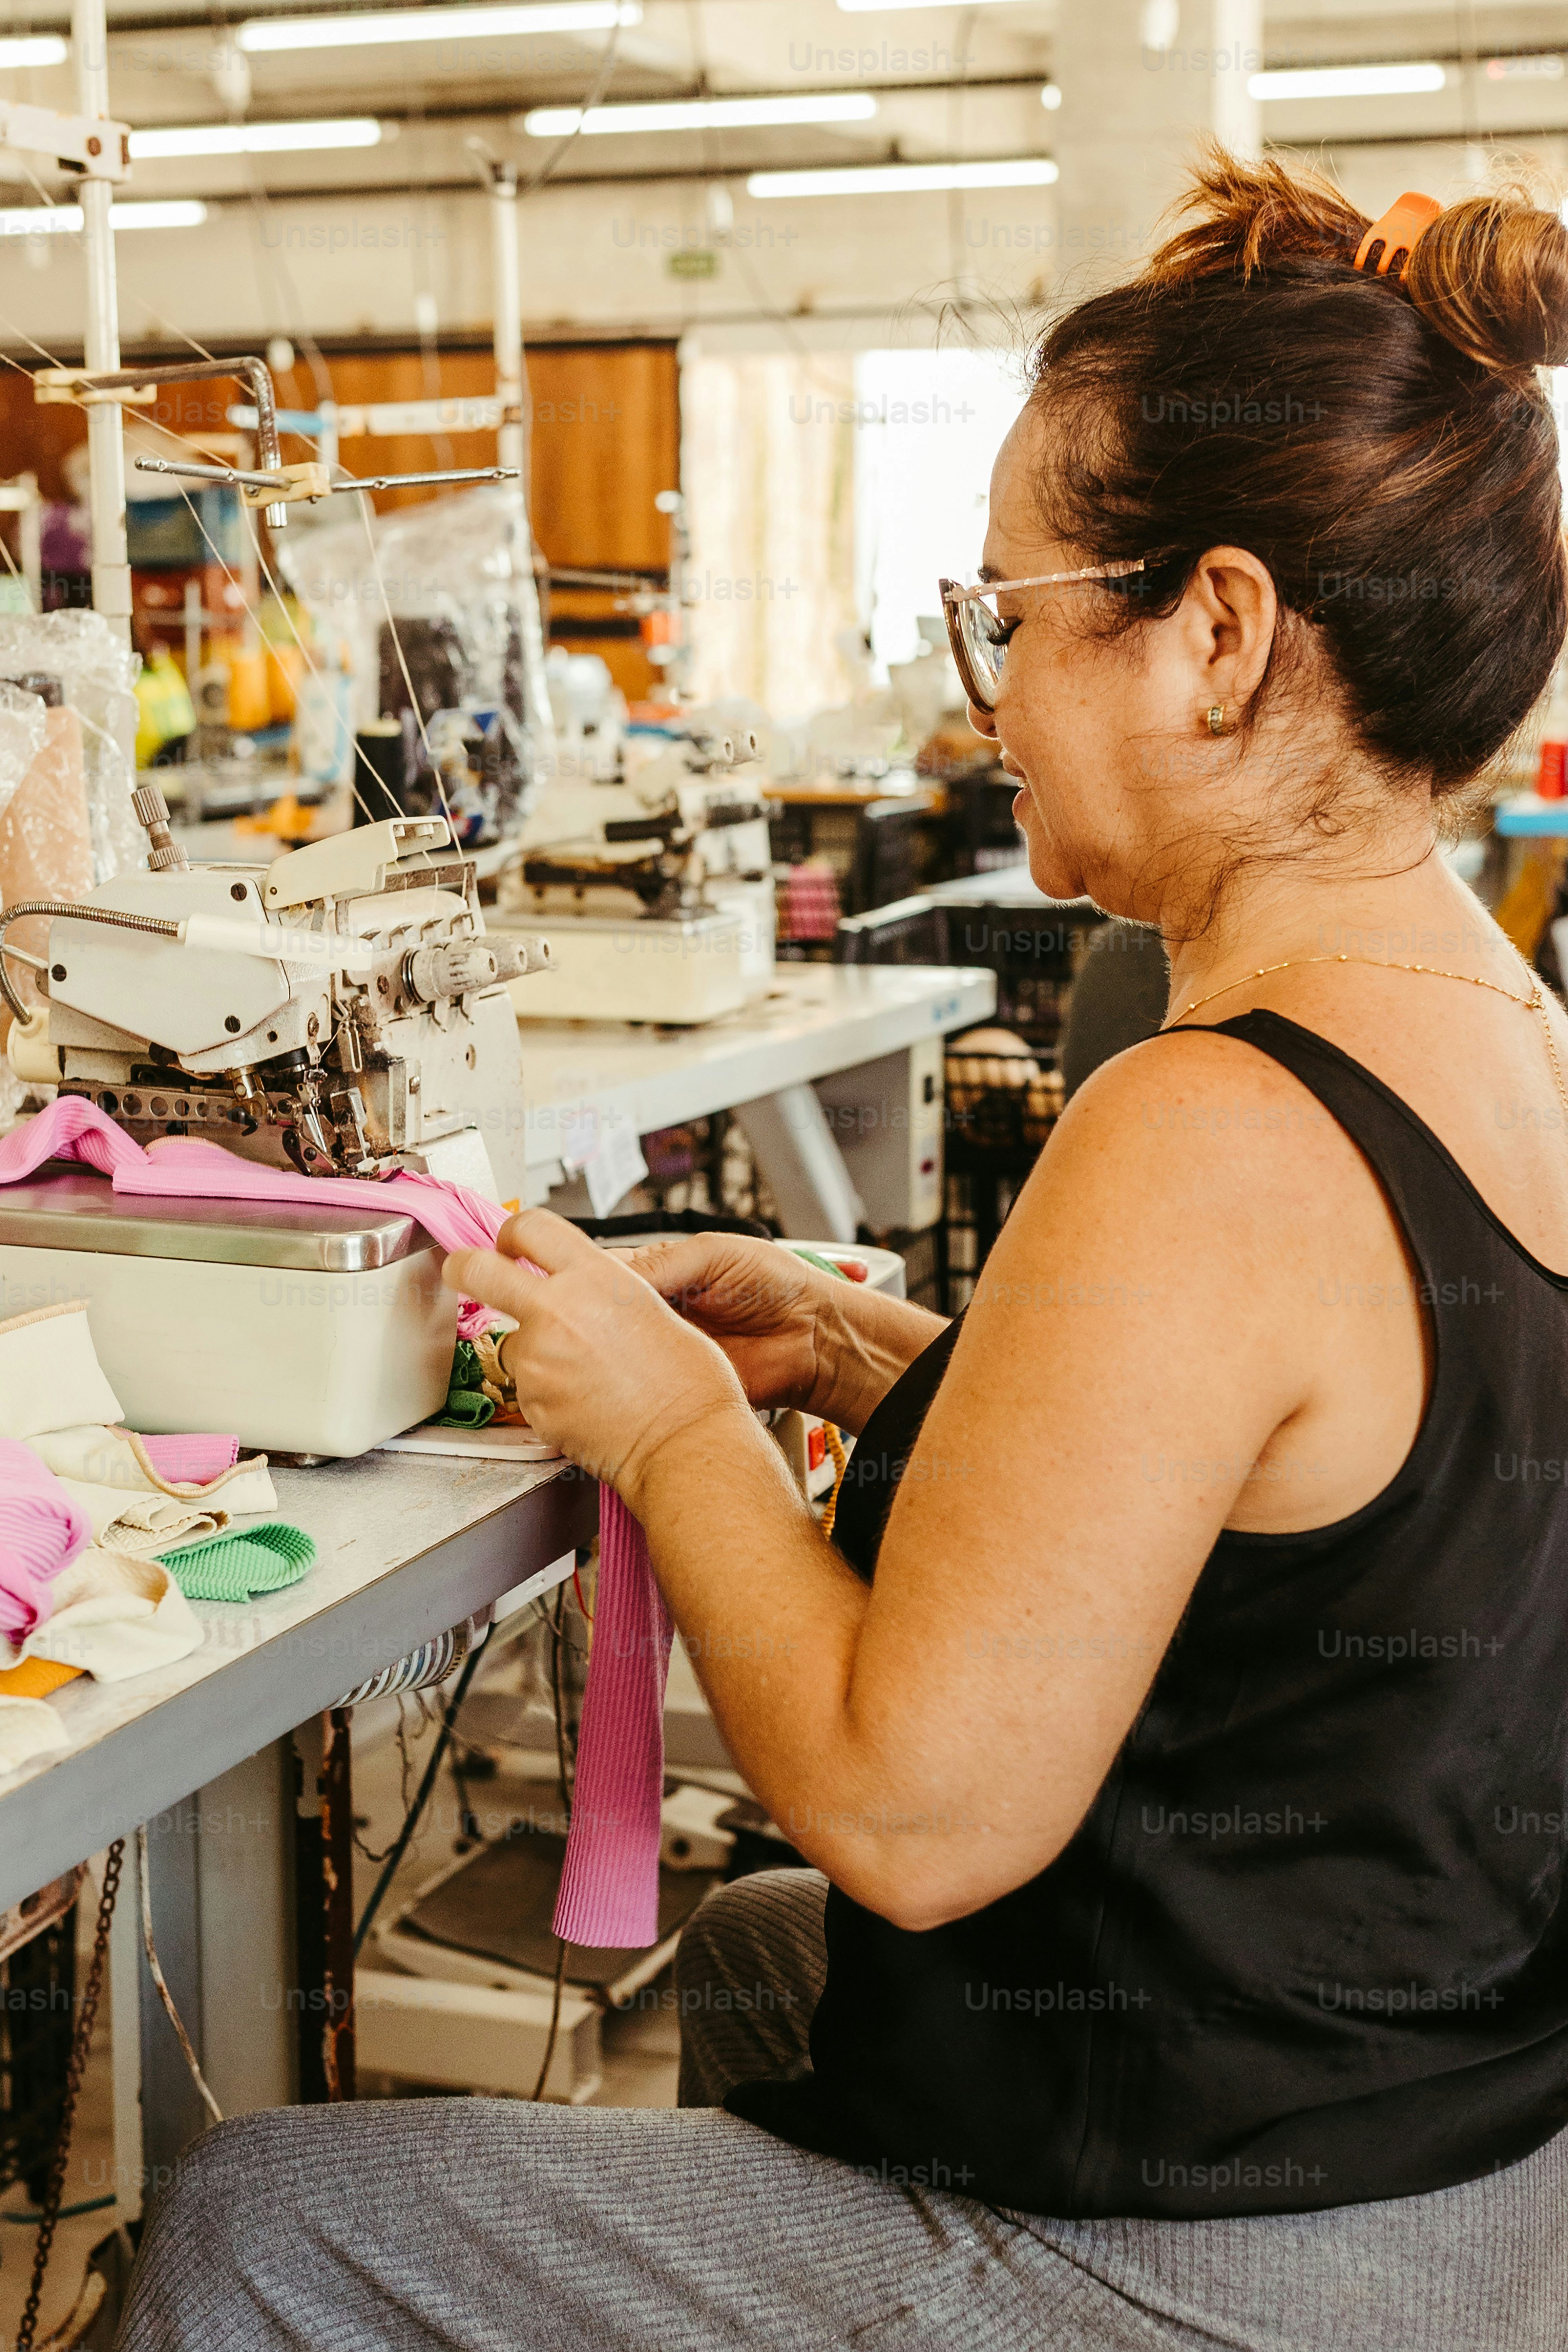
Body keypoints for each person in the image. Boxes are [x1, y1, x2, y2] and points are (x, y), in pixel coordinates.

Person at [117, 151, 1568, 2350]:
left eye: (1008, 609)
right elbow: (1309, 1508)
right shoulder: (1500, 1033)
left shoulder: (1209, 1116)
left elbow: (908, 1804)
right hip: (1463, 2159)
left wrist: (678, 1417)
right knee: (766, 1957)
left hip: (1237, 2267)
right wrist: (858, 1340)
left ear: (1225, 631)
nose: (978, 682)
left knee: (259, 2215)